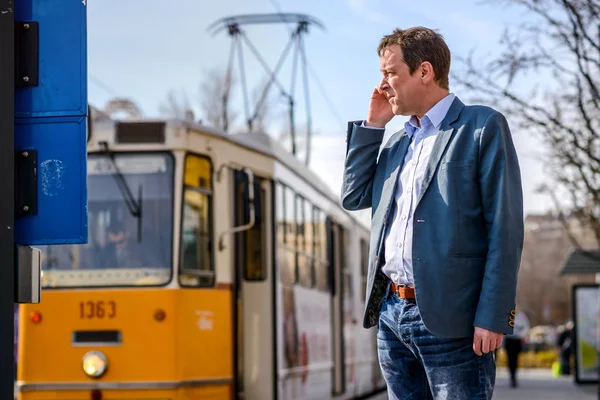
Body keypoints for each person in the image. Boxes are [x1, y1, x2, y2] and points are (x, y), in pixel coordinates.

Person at [341, 26, 524, 399]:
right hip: (391, 317)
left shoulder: (481, 127)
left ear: (424, 72)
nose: (383, 85)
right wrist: (374, 126)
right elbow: (354, 195)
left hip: (453, 321)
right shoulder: (394, 143)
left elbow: (505, 230)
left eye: (390, 73)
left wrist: (493, 316)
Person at [503, 307, 530, 388]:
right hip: (509, 339)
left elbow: (526, 326)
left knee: (515, 358)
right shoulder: (507, 315)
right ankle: (511, 376)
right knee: (510, 358)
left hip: (517, 340)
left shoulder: (521, 316)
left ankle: (514, 376)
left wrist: (522, 335)